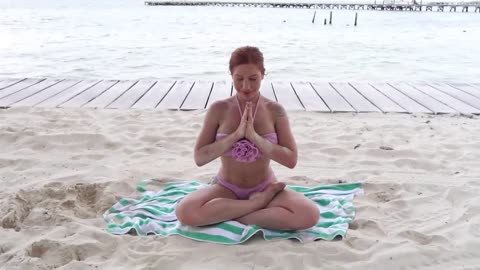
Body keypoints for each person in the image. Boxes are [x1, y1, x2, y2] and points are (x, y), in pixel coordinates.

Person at [176, 46, 319, 230]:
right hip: (226, 188)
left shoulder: (275, 110)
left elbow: (291, 160)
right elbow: (200, 158)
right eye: (239, 79)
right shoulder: (219, 109)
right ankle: (255, 206)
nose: (246, 86)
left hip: (265, 186)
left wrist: (255, 137)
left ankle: (235, 215)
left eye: (253, 79)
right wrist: (236, 136)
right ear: (231, 76)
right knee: (185, 212)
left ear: (263, 75)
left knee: (309, 215)